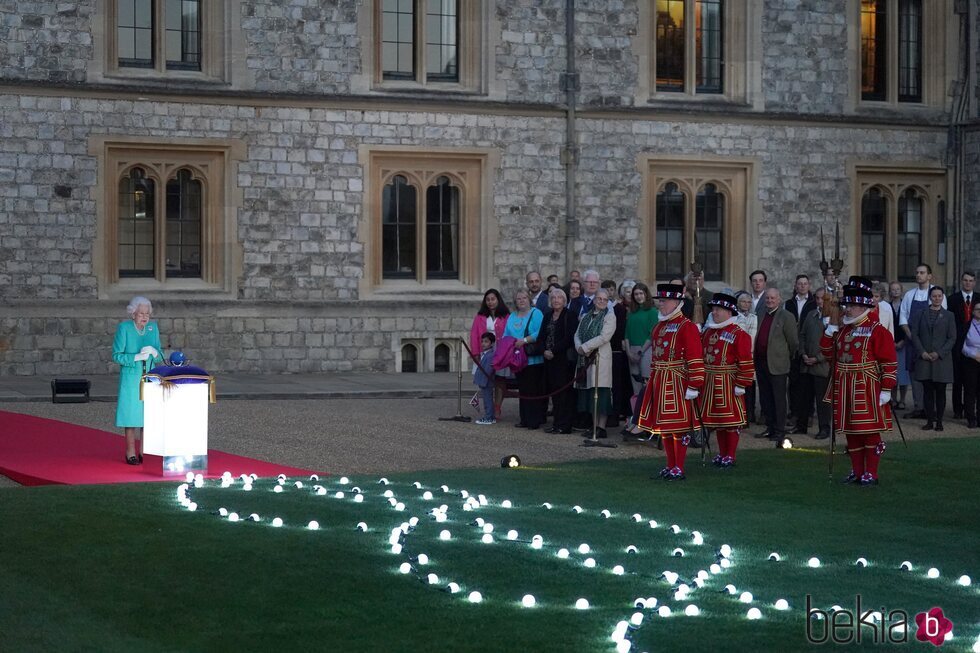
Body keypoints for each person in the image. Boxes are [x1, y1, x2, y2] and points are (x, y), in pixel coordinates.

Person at [821, 284, 898, 486]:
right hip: (844, 385)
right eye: (847, 304)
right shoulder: (844, 330)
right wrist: (830, 330)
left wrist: (887, 388)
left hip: (867, 387)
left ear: (863, 307)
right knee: (851, 431)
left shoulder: (878, 331)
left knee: (868, 430)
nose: (847, 309)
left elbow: (888, 362)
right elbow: (829, 354)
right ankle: (856, 471)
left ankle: (871, 472)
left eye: (852, 305)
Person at [637, 283, 705, 480]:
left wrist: (694, 385)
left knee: (679, 427)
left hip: (678, 383)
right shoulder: (659, 326)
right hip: (660, 380)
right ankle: (670, 464)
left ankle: (679, 467)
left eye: (664, 301)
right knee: (665, 428)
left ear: (677, 302)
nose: (661, 305)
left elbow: (695, 358)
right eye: (660, 301)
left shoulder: (687, 327)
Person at [699, 293, 754, 467]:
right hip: (710, 382)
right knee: (718, 422)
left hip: (728, 382)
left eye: (718, 310)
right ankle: (722, 454)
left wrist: (741, 383)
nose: (714, 313)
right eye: (713, 309)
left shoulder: (739, 334)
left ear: (729, 312)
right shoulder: (708, 332)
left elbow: (746, 360)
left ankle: (730, 455)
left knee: (730, 421)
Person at [112, 296, 165, 465]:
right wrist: (135, 356)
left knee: (147, 416)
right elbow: (116, 355)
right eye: (141, 313)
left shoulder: (153, 328)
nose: (144, 317)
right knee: (131, 416)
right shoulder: (124, 328)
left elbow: (160, 356)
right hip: (131, 378)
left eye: (147, 314)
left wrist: (154, 352)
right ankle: (130, 452)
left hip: (150, 378)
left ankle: (144, 451)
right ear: (133, 313)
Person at [899, 264, 947, 418]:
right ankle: (919, 406)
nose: (918, 275)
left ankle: (931, 408)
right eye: (917, 272)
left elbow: (942, 319)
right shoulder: (909, 295)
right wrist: (912, 337)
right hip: (913, 342)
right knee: (914, 374)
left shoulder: (937, 294)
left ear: (929, 276)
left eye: (922, 272)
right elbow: (903, 319)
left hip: (931, 343)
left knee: (931, 375)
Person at [754, 288, 798, 444]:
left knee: (778, 399)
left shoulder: (787, 317)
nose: (770, 301)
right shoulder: (760, 314)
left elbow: (793, 342)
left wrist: (786, 357)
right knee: (766, 399)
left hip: (778, 364)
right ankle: (770, 428)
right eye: (767, 298)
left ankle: (780, 431)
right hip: (761, 362)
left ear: (779, 300)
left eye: (773, 298)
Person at [910, 286, 956, 431]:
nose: (937, 299)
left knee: (941, 392)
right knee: (927, 391)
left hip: (941, 360)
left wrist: (940, 353)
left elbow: (952, 338)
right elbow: (915, 334)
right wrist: (922, 351)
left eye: (939, 296)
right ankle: (929, 421)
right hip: (924, 359)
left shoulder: (949, 315)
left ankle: (940, 422)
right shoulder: (920, 314)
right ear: (930, 297)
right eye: (934, 296)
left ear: (943, 297)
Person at [573, 288, 617, 438]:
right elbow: (577, 334)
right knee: (591, 393)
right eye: (599, 299)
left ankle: (601, 427)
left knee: (601, 393)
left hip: (600, 358)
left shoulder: (610, 317)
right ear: (594, 299)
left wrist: (585, 347)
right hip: (585, 359)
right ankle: (593, 426)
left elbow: (604, 337)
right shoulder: (586, 316)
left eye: (605, 300)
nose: (602, 302)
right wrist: (579, 346)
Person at [505, 289, 545, 429]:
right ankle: (524, 419)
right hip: (518, 359)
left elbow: (540, 332)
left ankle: (534, 420)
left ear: (529, 299)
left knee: (533, 390)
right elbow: (506, 335)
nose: (521, 300)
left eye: (524, 298)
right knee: (522, 390)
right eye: (518, 298)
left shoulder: (536, 313)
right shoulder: (512, 316)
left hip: (533, 359)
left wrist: (524, 340)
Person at [541, 287, 579, 434]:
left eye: (559, 298)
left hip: (563, 360)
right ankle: (556, 423)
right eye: (554, 298)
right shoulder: (547, 315)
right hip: (549, 360)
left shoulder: (570, 315)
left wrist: (553, 351)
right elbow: (541, 336)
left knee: (565, 393)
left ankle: (565, 425)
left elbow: (569, 337)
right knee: (554, 393)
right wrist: (544, 350)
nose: (556, 300)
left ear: (564, 300)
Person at [469, 289, 510, 418]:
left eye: (493, 299)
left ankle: (497, 407)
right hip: (484, 352)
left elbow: (509, 334)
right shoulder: (480, 317)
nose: (490, 302)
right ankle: (489, 408)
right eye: (488, 300)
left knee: (499, 380)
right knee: (486, 381)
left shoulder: (506, 316)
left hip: (501, 352)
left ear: (498, 300)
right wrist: (475, 353)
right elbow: (474, 335)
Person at [797, 287, 832, 439]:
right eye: (817, 298)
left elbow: (834, 343)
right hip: (806, 364)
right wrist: (803, 353)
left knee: (822, 400)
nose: (819, 302)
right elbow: (802, 335)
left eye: (822, 299)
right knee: (804, 398)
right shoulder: (811, 314)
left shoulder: (834, 318)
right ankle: (801, 425)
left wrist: (817, 358)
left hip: (823, 366)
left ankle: (824, 428)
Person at [946, 271, 977, 420]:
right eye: (965, 280)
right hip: (957, 344)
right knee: (957, 379)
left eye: (970, 281)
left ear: (974, 282)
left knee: (974, 380)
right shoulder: (952, 299)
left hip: (976, 346)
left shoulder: (979, 299)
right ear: (961, 281)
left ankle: (972, 410)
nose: (968, 283)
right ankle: (958, 410)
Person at [734, 291, 759, 424]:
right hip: (736, 355)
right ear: (738, 302)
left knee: (750, 386)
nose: (746, 304)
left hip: (750, 354)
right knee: (738, 386)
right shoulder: (734, 316)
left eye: (749, 302)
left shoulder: (754, 317)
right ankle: (739, 414)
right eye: (744, 301)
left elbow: (752, 336)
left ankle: (749, 415)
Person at [888, 281, 910, 409]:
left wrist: (904, 341)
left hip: (903, 343)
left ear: (901, 291)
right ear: (890, 291)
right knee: (893, 373)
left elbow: (908, 325)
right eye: (893, 289)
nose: (895, 291)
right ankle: (893, 398)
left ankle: (902, 399)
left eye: (897, 289)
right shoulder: (887, 306)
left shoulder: (905, 306)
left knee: (903, 373)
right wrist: (891, 342)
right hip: (891, 343)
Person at [960, 302, 980, 428]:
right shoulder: (966, 326)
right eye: (978, 309)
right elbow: (962, 346)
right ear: (973, 311)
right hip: (970, 362)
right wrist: (974, 355)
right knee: (970, 391)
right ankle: (971, 418)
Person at [473, 333, 497, 425]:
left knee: (488, 400)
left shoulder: (490, 355)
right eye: (482, 341)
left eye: (486, 342)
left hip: (486, 381)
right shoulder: (485, 354)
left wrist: (483, 380)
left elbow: (487, 370)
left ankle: (488, 417)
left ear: (492, 343)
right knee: (487, 399)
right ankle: (491, 417)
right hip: (485, 381)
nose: (483, 343)